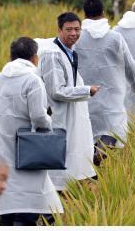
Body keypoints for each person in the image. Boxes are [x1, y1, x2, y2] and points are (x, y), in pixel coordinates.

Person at [0, 37, 63, 225]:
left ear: (10, 57)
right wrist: (50, 124)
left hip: (1, 152)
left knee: (9, 203)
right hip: (29, 151)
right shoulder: (32, 80)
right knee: (33, 203)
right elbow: (38, 117)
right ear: (35, 58)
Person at [74, 0, 135, 164]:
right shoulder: (115, 37)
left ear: (84, 14)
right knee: (114, 128)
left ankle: (93, 168)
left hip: (86, 92)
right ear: (103, 13)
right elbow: (130, 65)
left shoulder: (77, 38)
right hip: (113, 92)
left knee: (89, 130)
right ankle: (106, 145)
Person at [37, 12, 99, 190]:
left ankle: (66, 191)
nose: (74, 34)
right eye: (69, 29)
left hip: (70, 116)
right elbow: (56, 91)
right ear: (59, 30)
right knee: (59, 157)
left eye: (77, 29)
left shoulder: (70, 52)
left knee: (72, 154)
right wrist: (87, 90)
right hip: (58, 117)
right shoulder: (52, 55)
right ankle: (56, 197)